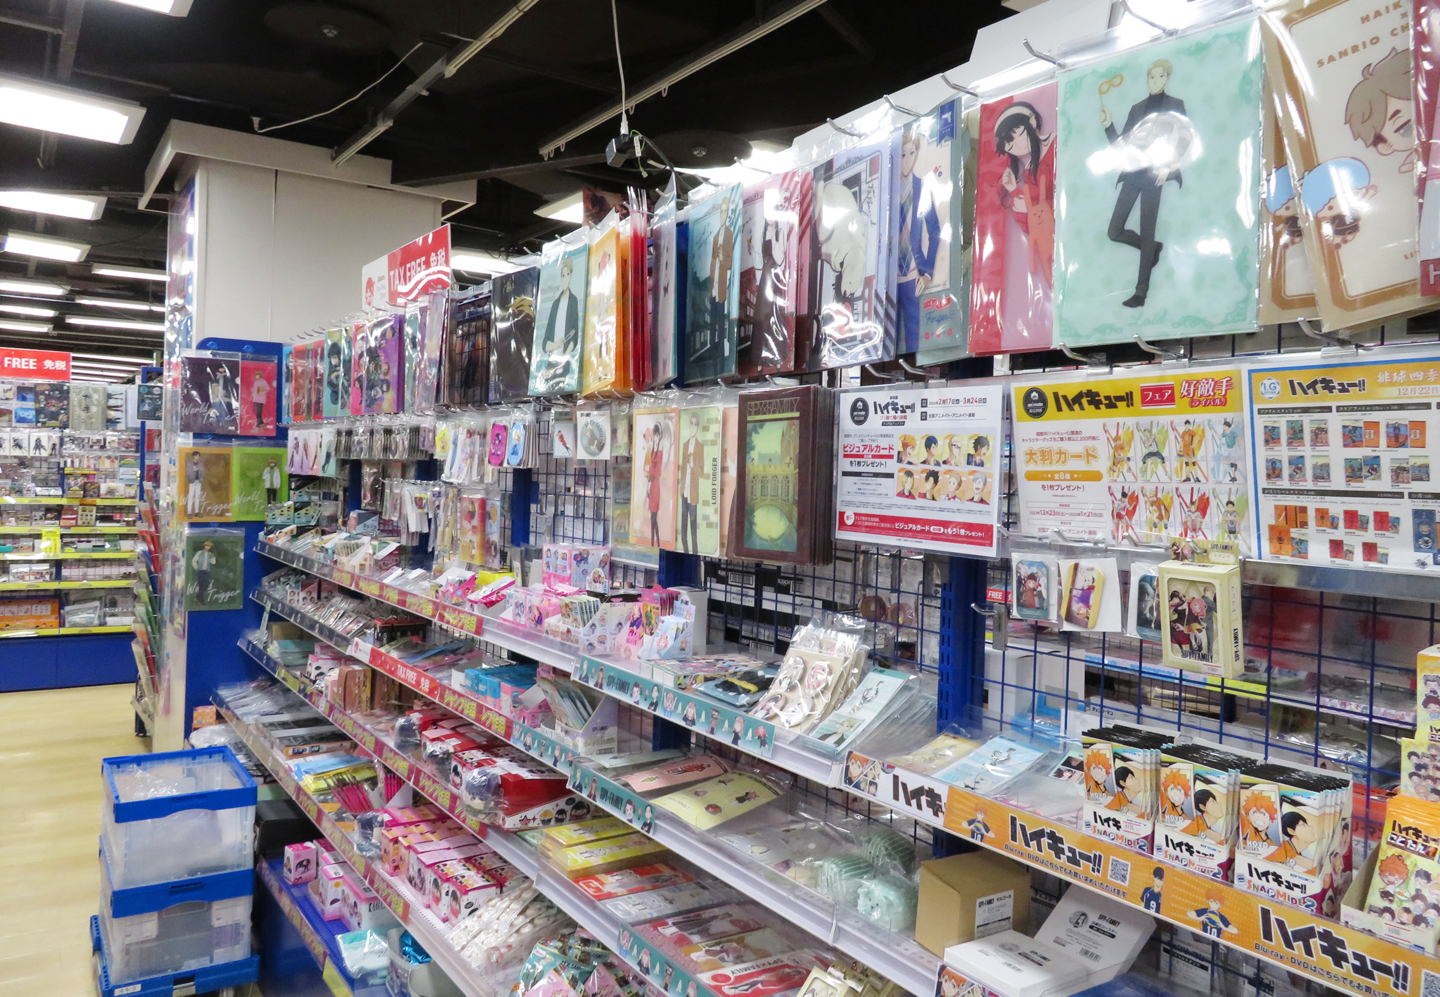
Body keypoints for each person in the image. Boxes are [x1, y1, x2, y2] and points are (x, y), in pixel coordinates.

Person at [1101, 58, 1189, 308]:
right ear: (1147, 78)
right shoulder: (1137, 108)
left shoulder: (1175, 105)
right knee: (1114, 230)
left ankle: (1141, 293)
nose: (1155, 81)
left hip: (1155, 176)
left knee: (1148, 229)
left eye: (1160, 77)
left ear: (1167, 78)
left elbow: (1184, 137)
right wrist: (1108, 126)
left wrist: (1169, 166)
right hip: (1133, 172)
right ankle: (1151, 249)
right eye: (1152, 77)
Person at [897, 125, 942, 348]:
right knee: (890, 340)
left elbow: (935, 230)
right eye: (902, 154)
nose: (906, 161)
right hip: (888, 277)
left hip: (914, 272)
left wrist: (927, 273)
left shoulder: (922, 187)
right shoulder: (888, 190)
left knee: (914, 338)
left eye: (911, 154)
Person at [679, 412, 703, 553]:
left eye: (695, 424)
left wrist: (693, 465)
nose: (693, 426)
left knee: (693, 533)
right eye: (691, 423)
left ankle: (694, 556)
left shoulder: (700, 447)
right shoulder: (685, 445)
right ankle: (684, 553)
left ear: (698, 427)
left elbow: (701, 473)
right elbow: (682, 468)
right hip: (684, 492)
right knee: (683, 531)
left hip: (693, 495)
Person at [192, 539, 216, 604]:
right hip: (200, 571)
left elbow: (213, 563)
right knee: (200, 584)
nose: (208, 547)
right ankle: (200, 599)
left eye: (209, 546)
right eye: (207, 546)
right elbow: (194, 560)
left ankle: (198, 596)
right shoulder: (199, 553)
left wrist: (213, 558)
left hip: (207, 571)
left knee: (206, 584)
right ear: (205, 546)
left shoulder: (210, 554)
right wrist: (196, 567)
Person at [186, 451, 205, 517]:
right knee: (191, 496)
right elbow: (187, 473)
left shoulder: (200, 464)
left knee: (197, 496)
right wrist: (193, 470)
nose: (197, 457)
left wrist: (201, 476)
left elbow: (203, 471)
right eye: (196, 456)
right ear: (193, 456)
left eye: (198, 456)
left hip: (198, 481)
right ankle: (189, 512)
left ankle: (197, 511)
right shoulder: (189, 464)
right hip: (192, 481)